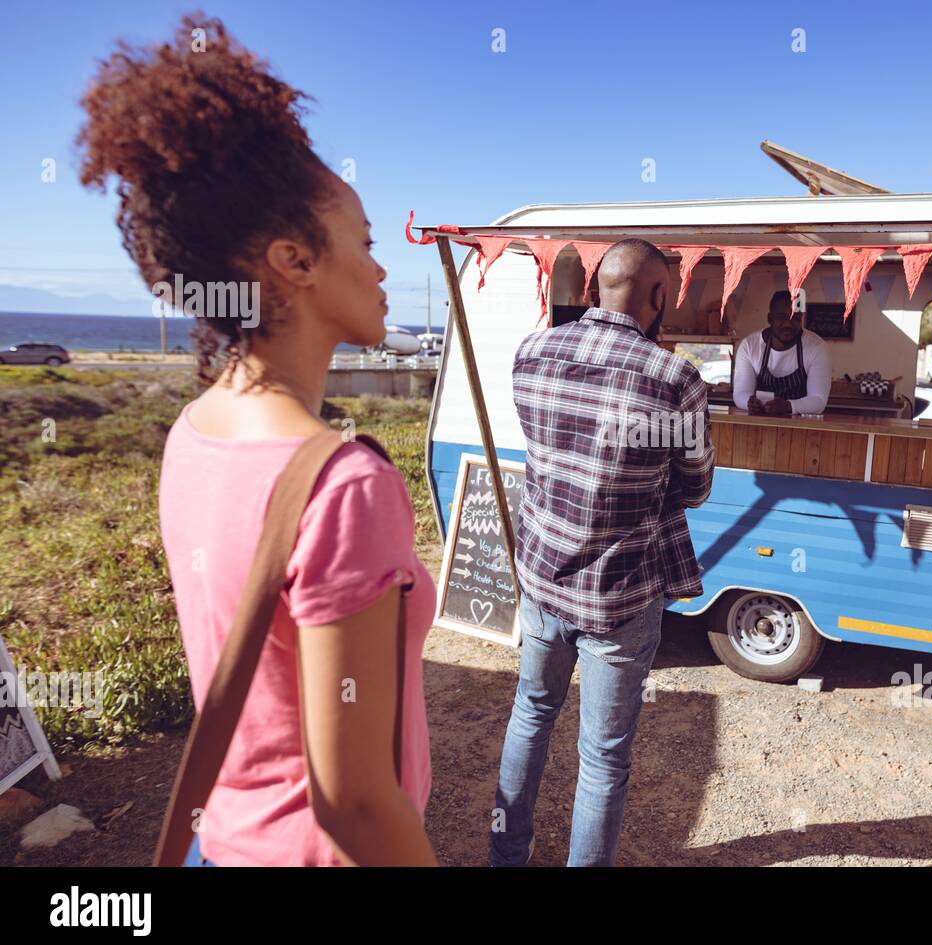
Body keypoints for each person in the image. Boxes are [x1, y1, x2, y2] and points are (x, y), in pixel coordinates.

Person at [77, 15, 437, 866]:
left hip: (223, 844)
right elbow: (351, 801)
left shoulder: (196, 431)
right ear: (294, 261)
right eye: (366, 242)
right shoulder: (342, 485)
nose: (382, 270)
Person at [493, 238, 715, 866]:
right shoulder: (674, 379)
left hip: (541, 578)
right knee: (603, 755)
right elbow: (696, 486)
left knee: (531, 715)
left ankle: (506, 855)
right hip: (620, 595)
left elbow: (548, 449)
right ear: (657, 297)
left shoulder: (532, 352)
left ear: (593, 289)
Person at [732, 291, 832, 415]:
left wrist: (788, 406)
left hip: (801, 429)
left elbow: (818, 401)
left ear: (801, 318)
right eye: (781, 317)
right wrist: (750, 403)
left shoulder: (817, 348)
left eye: (795, 318)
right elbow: (740, 393)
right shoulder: (749, 346)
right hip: (759, 428)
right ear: (770, 319)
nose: (787, 324)